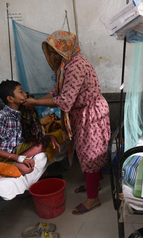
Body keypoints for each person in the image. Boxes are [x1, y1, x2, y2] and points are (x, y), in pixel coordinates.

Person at [23, 30, 110, 215]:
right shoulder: (65, 65)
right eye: (52, 51)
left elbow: (64, 101)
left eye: (56, 51)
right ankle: (94, 183)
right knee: (88, 152)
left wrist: (36, 103)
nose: (53, 55)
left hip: (91, 115)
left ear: (66, 48)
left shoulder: (75, 66)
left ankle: (93, 199)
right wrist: (35, 102)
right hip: (82, 113)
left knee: (90, 154)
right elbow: (56, 92)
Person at [0, 80, 59, 175]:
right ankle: (14, 162)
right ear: (10, 99)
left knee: (41, 144)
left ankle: (19, 160)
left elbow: (25, 138)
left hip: (12, 150)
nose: (25, 95)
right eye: (20, 92)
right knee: (26, 169)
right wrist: (18, 158)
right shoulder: (2, 116)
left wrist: (48, 137)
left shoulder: (19, 114)